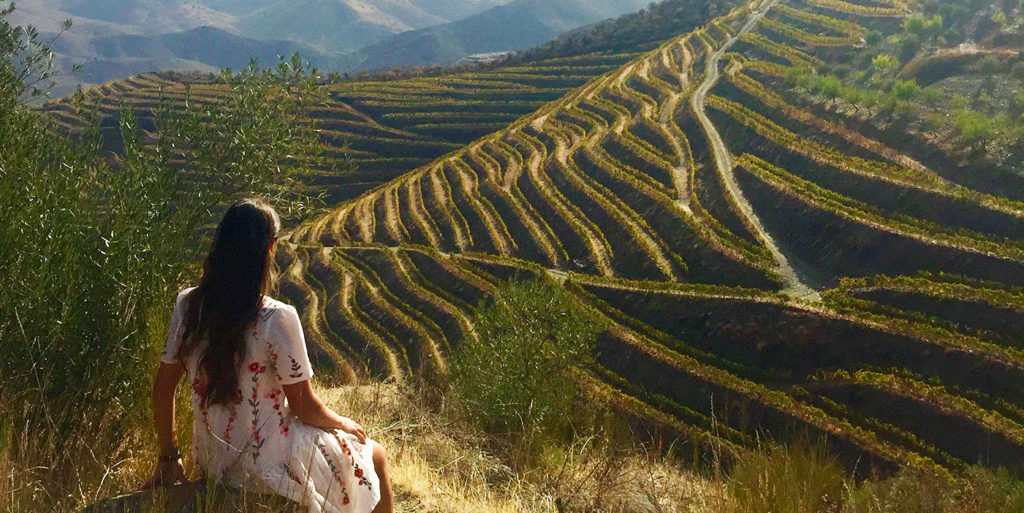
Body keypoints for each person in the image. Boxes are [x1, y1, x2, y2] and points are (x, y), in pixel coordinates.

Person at [145, 198, 393, 513]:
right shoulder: (277, 318)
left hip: (215, 462)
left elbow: (163, 387)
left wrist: (168, 457)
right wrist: (342, 422)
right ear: (270, 249)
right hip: (271, 465)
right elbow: (304, 407)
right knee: (375, 455)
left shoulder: (188, 306)